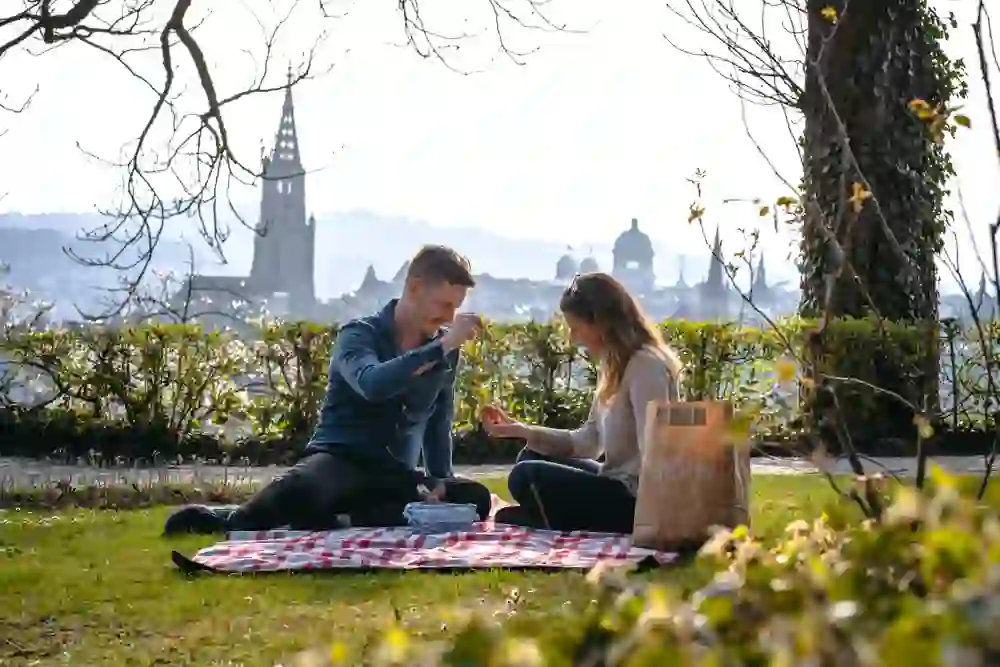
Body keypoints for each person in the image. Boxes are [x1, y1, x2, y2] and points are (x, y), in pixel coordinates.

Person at [163, 245, 493, 535]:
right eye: (443, 305)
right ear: (415, 287)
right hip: (340, 461)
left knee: (473, 500)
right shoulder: (358, 336)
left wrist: (441, 481)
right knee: (301, 490)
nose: (449, 317)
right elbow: (373, 384)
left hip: (395, 476)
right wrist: (440, 348)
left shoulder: (444, 348)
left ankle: (341, 519)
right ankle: (233, 520)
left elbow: (438, 419)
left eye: (456, 307)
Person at [479, 272, 683, 534]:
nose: (573, 338)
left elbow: (657, 450)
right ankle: (550, 518)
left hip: (635, 499)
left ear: (601, 323)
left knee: (525, 476)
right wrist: (524, 431)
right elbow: (588, 443)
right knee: (532, 455)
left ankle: (553, 519)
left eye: (576, 327)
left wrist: (657, 518)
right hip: (612, 481)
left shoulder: (646, 366)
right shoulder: (614, 365)